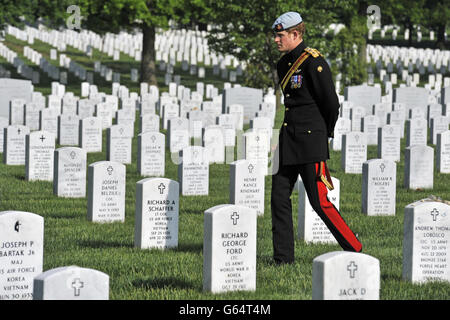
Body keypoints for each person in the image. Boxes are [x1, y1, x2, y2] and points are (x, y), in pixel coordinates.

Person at [271, 11, 362, 265]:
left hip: (310, 142)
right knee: (278, 198)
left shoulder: (314, 62)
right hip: (288, 140)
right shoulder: (283, 64)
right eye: (276, 36)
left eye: (280, 36)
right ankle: (283, 259)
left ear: (295, 34)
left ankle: (355, 249)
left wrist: (325, 135)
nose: (276, 40)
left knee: (320, 202)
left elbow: (331, 104)